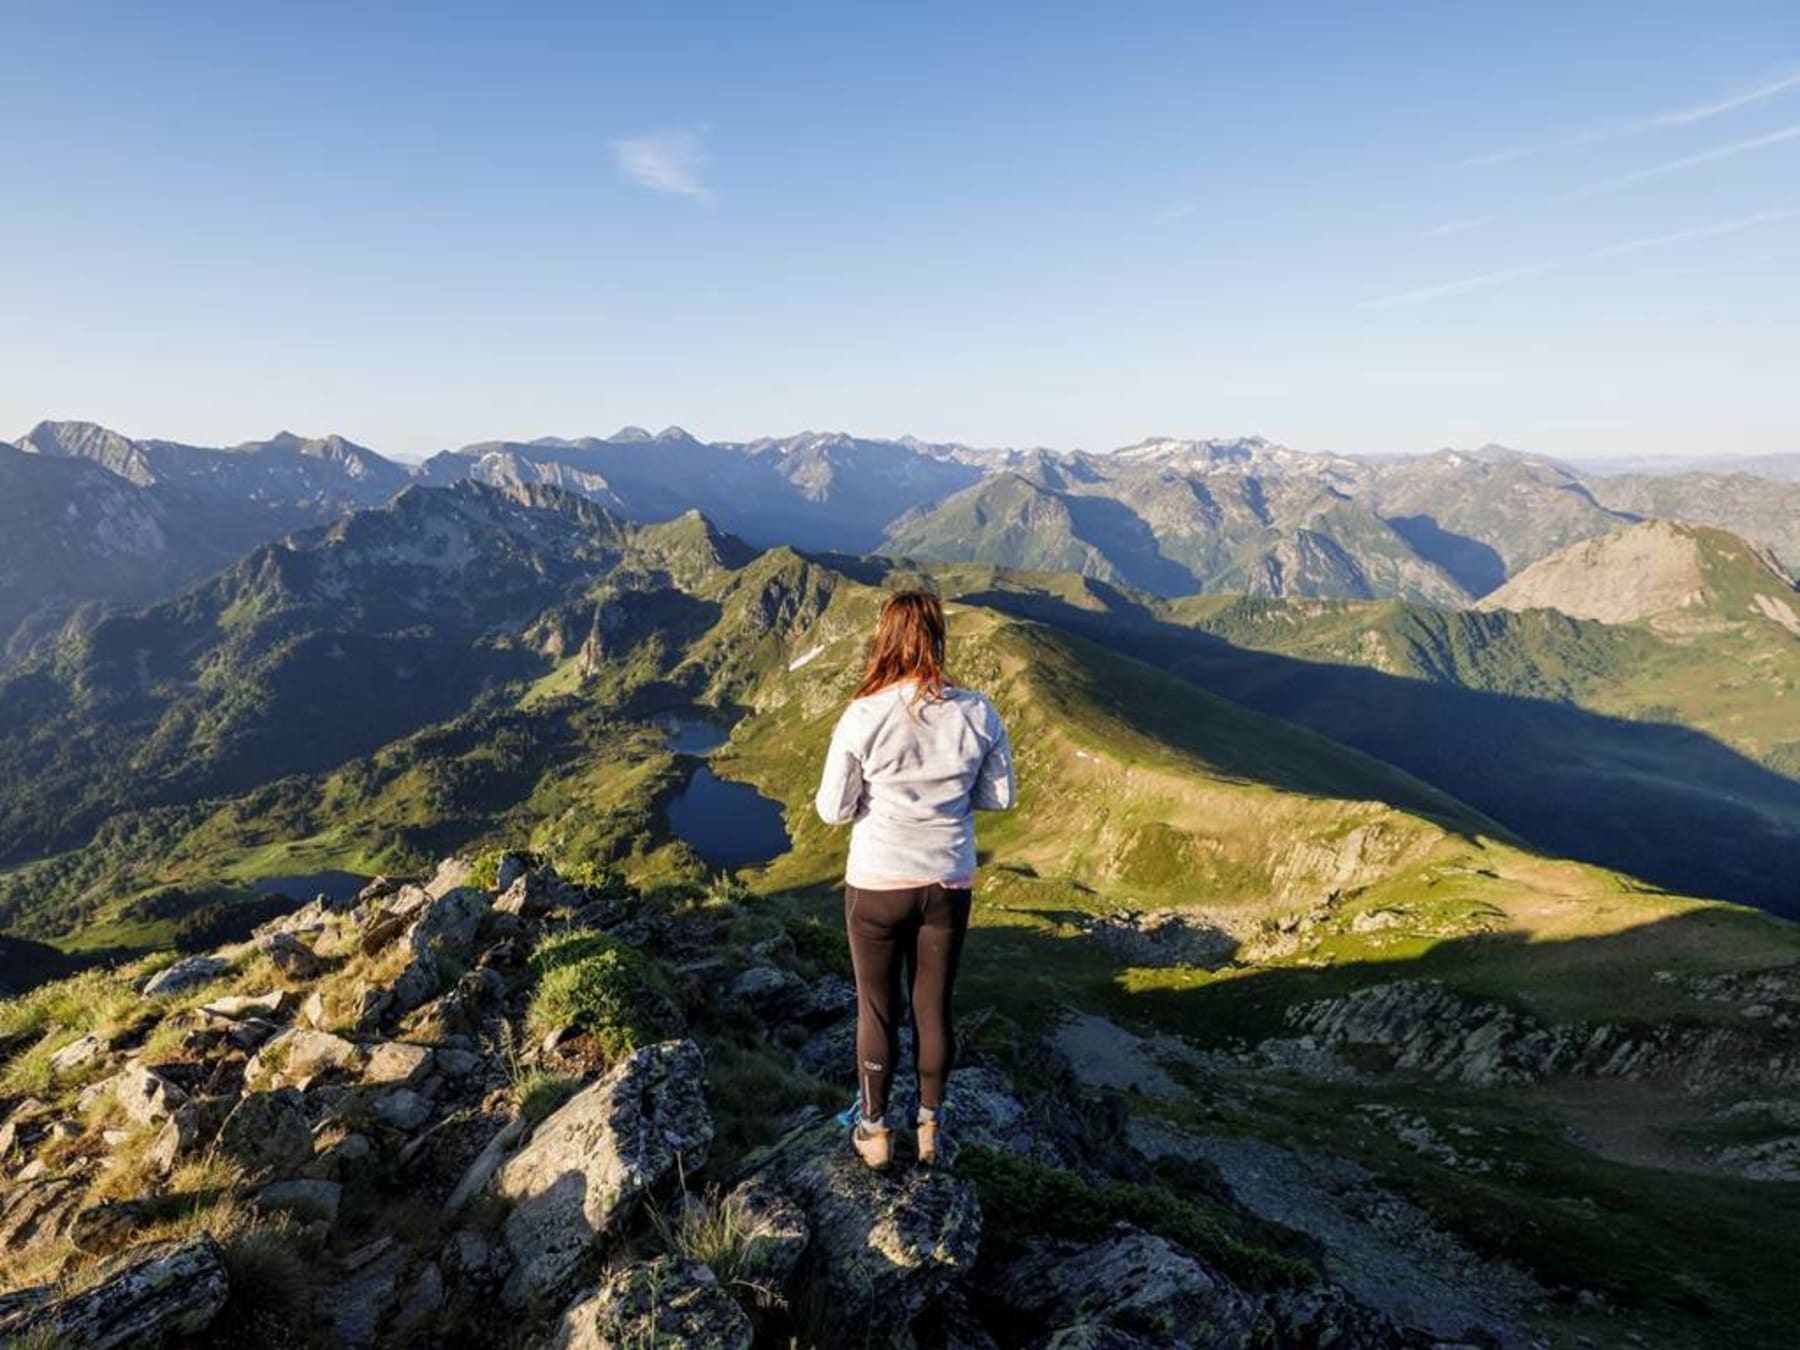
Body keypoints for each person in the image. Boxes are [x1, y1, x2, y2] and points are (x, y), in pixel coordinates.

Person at [813, 590, 1015, 1169]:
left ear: (886, 639)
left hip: (878, 881)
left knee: (876, 1008)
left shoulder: (864, 714)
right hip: (947, 882)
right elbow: (999, 797)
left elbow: (833, 809)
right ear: (938, 639)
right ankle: (930, 1127)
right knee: (934, 1006)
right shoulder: (978, 712)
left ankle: (874, 1131)